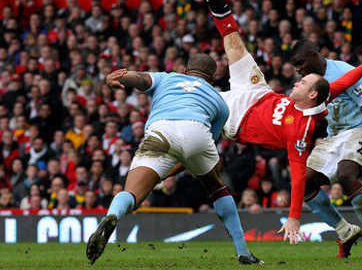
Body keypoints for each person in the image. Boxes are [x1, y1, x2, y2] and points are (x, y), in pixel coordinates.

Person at [191, 0, 362, 244]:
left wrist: (294, 216)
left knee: (188, 102)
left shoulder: (299, 132)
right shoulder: (320, 94)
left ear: (311, 95)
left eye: (302, 81)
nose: (296, 81)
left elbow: (296, 177)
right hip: (256, 91)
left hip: (233, 115)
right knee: (233, 41)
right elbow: (345, 81)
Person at [85, 53, 261, 265]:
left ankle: (112, 216)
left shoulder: (167, 78)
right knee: (216, 186)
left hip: (161, 129)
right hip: (197, 131)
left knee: (132, 193)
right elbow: (194, 152)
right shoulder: (219, 102)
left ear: (185, 71)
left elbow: (140, 78)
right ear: (212, 78)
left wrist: (119, 77)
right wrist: (167, 172)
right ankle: (242, 250)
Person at [289, 42, 362, 259]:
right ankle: (345, 232)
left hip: (359, 130)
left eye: (300, 63)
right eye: (294, 65)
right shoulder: (308, 83)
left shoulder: (343, 71)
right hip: (334, 135)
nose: (297, 69)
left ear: (314, 55)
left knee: (346, 175)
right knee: (303, 182)